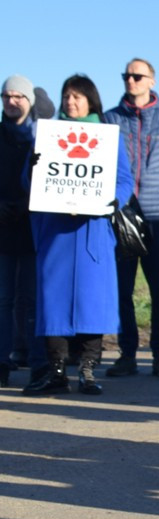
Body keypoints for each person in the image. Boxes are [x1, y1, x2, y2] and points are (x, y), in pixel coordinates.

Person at [23, 74, 133, 396]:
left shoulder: (109, 138)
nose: (70, 102)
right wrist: (32, 167)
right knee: (53, 302)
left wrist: (111, 199)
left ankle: (87, 371)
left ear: (90, 101)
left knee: (92, 302)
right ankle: (56, 372)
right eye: (66, 96)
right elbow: (27, 184)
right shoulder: (47, 135)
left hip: (92, 233)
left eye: (77, 97)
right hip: (56, 233)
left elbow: (124, 180)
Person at [104, 58, 159, 378]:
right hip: (123, 216)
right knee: (122, 288)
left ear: (152, 81)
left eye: (138, 76)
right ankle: (127, 354)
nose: (131, 80)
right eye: (126, 76)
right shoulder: (110, 118)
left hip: (158, 215)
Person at [0, 75, 47, 387]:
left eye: (18, 96)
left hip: (33, 227)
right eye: (6, 96)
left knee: (32, 299)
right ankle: (1, 361)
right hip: (1, 227)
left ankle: (37, 362)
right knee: (2, 299)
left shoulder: (44, 137)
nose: (12, 101)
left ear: (30, 100)